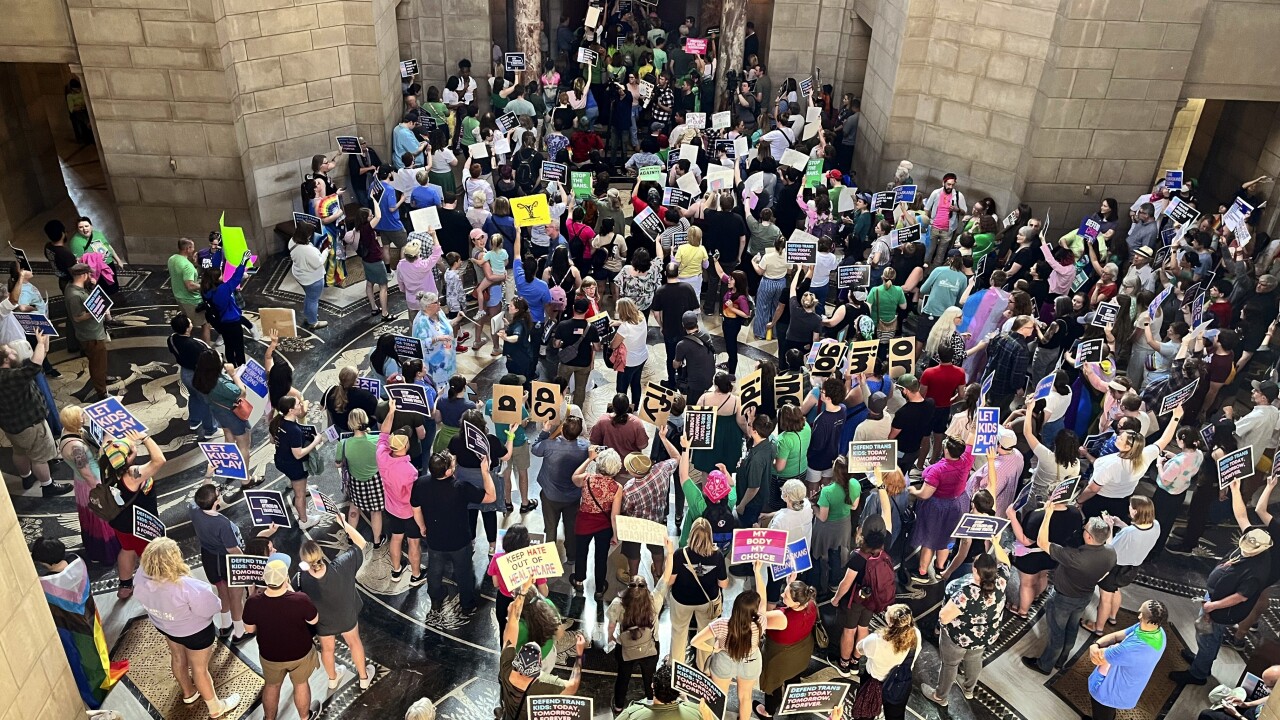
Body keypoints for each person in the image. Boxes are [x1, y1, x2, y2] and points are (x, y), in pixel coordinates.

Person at [133, 538, 242, 717]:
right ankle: (216, 708)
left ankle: (188, 693)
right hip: (195, 633)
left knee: (177, 657)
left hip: (165, 626)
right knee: (199, 669)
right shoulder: (188, 586)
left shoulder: (140, 575)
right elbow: (212, 608)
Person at [31, 536, 127, 709]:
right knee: (97, 647)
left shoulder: (44, 584)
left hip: (70, 628)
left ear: (44, 561)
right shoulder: (78, 563)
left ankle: (93, 693)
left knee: (80, 659)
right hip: (89, 615)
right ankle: (104, 673)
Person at [1172, 528, 1274, 686]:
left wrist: (1213, 606)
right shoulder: (1251, 549)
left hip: (1222, 610)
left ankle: (1198, 674)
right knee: (1208, 637)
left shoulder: (1256, 572)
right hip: (1215, 599)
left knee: (1208, 638)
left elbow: (1241, 596)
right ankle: (1202, 661)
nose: (1244, 551)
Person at [1022, 511, 1116, 675]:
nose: (1082, 531)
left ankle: (1045, 665)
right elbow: (1108, 542)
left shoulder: (1074, 557)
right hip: (1084, 597)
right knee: (1072, 628)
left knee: (1056, 632)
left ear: (1089, 538)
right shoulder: (1110, 552)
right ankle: (1061, 660)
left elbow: (1042, 542)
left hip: (1063, 599)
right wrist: (1110, 528)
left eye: (1084, 529)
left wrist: (1048, 514)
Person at [691, 562, 788, 720]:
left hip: (724, 660)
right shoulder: (760, 623)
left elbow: (695, 641)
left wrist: (715, 650)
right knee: (745, 698)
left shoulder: (722, 624)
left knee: (719, 698)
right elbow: (763, 599)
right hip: (750, 661)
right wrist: (757, 572)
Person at [297, 518, 375, 691]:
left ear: (304, 561)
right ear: (320, 554)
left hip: (323, 621)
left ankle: (332, 678)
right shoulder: (342, 566)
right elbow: (361, 543)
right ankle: (363, 677)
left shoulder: (302, 578)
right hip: (346, 615)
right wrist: (343, 522)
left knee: (327, 648)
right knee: (354, 642)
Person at [419, 444, 496, 618]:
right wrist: (485, 471)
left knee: (434, 570)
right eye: (452, 465)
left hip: (435, 539)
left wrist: (423, 526)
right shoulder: (461, 488)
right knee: (464, 573)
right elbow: (491, 497)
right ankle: (467, 604)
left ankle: (436, 600)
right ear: (447, 472)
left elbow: (415, 507)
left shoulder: (422, 483)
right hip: (460, 541)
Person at [923, 551, 1008, 706]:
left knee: (950, 665)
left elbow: (944, 617)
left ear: (974, 571)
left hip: (958, 638)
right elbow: (1006, 562)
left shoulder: (966, 594)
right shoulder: (1001, 581)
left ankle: (940, 696)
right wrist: (996, 542)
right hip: (984, 637)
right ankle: (968, 689)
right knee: (974, 659)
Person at [243, 557, 321, 720]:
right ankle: (305, 717)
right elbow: (313, 620)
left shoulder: (253, 602)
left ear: (265, 579)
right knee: (300, 684)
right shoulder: (300, 599)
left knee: (272, 686)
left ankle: (269, 718)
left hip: (270, 655)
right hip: (300, 653)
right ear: (286, 578)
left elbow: (249, 629)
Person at [497, 583, 585, 720]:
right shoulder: (544, 683)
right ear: (538, 670)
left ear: (517, 659)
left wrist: (520, 594)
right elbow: (572, 686)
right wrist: (579, 655)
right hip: (549, 655)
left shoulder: (506, 667)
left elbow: (511, 625)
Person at [606, 537, 674, 712]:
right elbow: (666, 578)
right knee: (649, 677)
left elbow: (612, 625)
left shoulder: (618, 603)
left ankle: (619, 705)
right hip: (650, 647)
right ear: (646, 589)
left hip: (625, 648)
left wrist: (610, 637)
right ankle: (651, 701)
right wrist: (671, 553)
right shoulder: (654, 601)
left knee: (623, 677)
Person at [0, 330, 70, 497]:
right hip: (30, 424)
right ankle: (48, 485)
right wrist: (39, 342)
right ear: (6, 360)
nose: (14, 351)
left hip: (11, 426)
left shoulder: (8, 373)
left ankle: (26, 477)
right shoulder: (10, 377)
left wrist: (42, 347)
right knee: (39, 457)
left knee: (19, 451)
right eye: (10, 351)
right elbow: (34, 366)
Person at [102, 430, 167, 600]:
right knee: (153, 555)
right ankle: (161, 588)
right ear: (129, 457)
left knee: (127, 550)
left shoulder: (106, 467)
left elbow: (107, 445)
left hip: (120, 522)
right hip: (140, 526)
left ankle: (124, 586)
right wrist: (145, 438)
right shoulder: (132, 475)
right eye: (132, 448)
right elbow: (159, 460)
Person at [1083, 496, 1160, 635]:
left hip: (1116, 568)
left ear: (1135, 512)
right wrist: (1121, 523)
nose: (1128, 508)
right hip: (1132, 569)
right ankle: (1112, 617)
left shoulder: (1128, 532)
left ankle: (1098, 628)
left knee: (1105, 598)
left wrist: (1110, 527)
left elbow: (1110, 547)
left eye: (1130, 507)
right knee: (1116, 590)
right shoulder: (1155, 525)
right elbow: (1137, 535)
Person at [831, 521, 895, 676]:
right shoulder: (884, 549)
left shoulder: (858, 558)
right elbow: (888, 519)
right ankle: (855, 662)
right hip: (873, 599)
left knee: (849, 630)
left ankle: (844, 664)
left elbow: (846, 583)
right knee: (863, 627)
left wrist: (836, 598)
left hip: (855, 600)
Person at [1088, 600, 1169, 720]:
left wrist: (1094, 646)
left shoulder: (1130, 649)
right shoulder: (1157, 632)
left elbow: (1098, 659)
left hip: (1112, 690)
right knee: (1109, 712)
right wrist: (1097, 644)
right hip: (1129, 685)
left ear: (1141, 615)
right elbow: (1116, 636)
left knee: (1102, 712)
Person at [192, 349, 259, 490]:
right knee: (244, 445)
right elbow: (241, 393)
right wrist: (234, 374)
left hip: (218, 412)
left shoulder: (200, 377)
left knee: (229, 438)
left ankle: (231, 470)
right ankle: (246, 480)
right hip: (232, 415)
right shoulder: (220, 384)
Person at [188, 483, 246, 641]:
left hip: (209, 557)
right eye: (217, 492)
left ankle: (225, 625)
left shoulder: (194, 510)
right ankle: (240, 632)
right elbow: (232, 549)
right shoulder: (222, 524)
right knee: (236, 596)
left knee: (222, 592)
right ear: (216, 501)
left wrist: (207, 476)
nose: (219, 493)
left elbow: (198, 497)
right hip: (225, 560)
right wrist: (246, 563)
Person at [532, 414, 590, 567]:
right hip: (573, 497)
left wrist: (545, 432)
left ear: (562, 430)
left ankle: (547, 559)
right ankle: (572, 557)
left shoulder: (549, 445)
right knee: (571, 528)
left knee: (550, 527)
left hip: (550, 495)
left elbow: (535, 449)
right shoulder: (585, 448)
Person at [757, 578, 819, 718]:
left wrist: (757, 575)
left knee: (773, 683)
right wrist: (790, 582)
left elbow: (760, 617)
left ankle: (769, 712)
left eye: (785, 596)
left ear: (796, 603)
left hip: (780, 656)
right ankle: (793, 704)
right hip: (802, 650)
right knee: (793, 677)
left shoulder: (781, 617)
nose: (781, 596)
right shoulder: (811, 603)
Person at [848, 604, 921, 720]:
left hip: (874, 682)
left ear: (891, 624)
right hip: (899, 682)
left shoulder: (876, 640)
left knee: (865, 713)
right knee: (895, 716)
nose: (888, 607)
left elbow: (859, 648)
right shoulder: (916, 634)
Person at [571, 446, 623, 600]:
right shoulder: (617, 488)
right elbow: (614, 515)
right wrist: (615, 534)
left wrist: (589, 458)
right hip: (604, 526)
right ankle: (599, 588)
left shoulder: (587, 478)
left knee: (581, 553)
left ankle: (579, 580)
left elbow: (574, 477)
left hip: (584, 522)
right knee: (601, 557)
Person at [270, 396, 326, 529]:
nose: (301, 405)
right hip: (295, 466)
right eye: (298, 404)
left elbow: (272, 441)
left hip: (280, 460)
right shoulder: (293, 430)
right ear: (291, 410)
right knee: (299, 495)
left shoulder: (276, 422)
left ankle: (301, 490)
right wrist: (316, 441)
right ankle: (304, 521)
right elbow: (298, 454)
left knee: (298, 487)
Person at [64, 263, 109, 401]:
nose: (91, 276)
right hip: (91, 336)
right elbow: (78, 317)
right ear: (83, 275)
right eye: (89, 274)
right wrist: (96, 311)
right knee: (97, 365)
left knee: (99, 362)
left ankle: (102, 379)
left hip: (95, 332)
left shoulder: (75, 287)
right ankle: (102, 391)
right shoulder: (74, 295)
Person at [553, 297, 602, 407]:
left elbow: (556, 344)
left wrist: (563, 344)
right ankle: (576, 412)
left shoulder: (563, 325)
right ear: (587, 310)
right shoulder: (592, 328)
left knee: (560, 387)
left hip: (566, 363)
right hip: (584, 363)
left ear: (573, 308)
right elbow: (597, 348)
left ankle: (559, 408)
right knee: (580, 389)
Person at [616, 660, 704, 720]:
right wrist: (685, 700)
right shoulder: (698, 712)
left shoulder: (632, 714)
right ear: (679, 690)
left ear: (652, 685)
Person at [169, 238, 212, 343]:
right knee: (206, 324)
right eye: (192, 247)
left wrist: (194, 264)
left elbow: (181, 274)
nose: (194, 249)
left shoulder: (172, 259)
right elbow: (190, 286)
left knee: (187, 322)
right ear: (188, 248)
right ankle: (207, 350)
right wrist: (205, 286)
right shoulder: (187, 266)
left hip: (179, 297)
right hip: (192, 300)